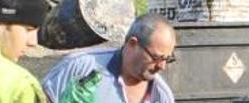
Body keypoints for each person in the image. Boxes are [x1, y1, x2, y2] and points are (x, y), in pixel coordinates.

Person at [41, 13, 176, 103]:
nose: (162, 66)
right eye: (156, 57)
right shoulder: (81, 67)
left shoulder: (161, 97)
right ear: (132, 44)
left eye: (167, 59)